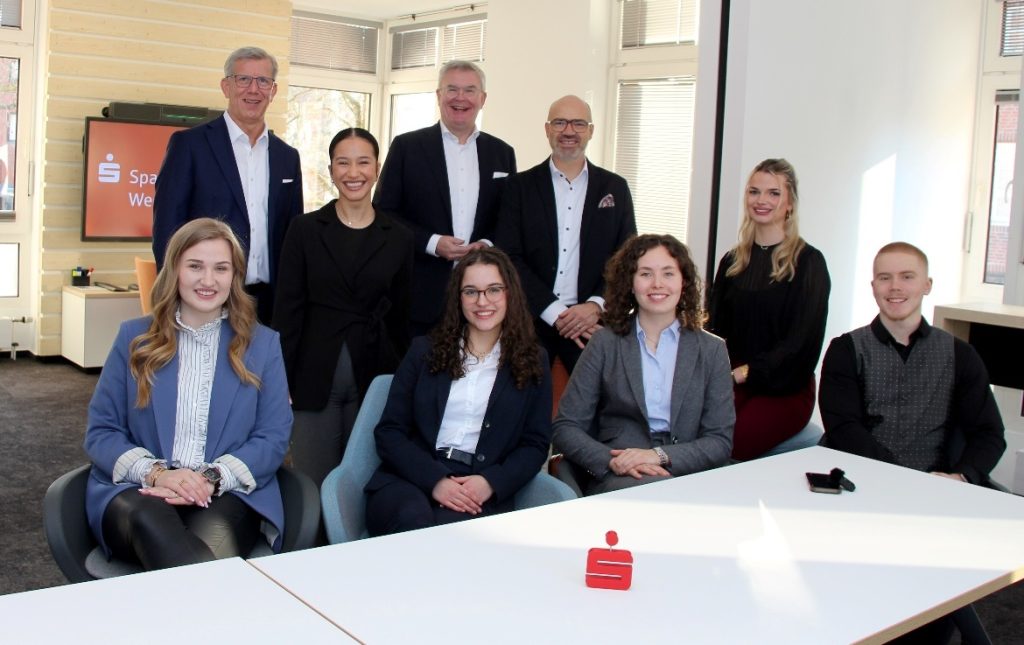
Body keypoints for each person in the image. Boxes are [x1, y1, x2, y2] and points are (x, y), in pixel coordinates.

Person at [819, 242, 1006, 644]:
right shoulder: (846, 350)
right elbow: (844, 429)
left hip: (936, 491)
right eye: (884, 278)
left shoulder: (959, 354)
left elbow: (989, 433)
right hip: (862, 491)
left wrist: (962, 477)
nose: (895, 287)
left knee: (935, 601)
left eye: (907, 277)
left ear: (927, 285)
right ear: (873, 286)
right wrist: (902, 484)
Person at [83, 218, 292, 571]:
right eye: (195, 266)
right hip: (140, 492)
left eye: (221, 268)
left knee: (200, 556)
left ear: (234, 276)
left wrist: (209, 480)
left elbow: (272, 438)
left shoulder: (263, 345)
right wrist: (158, 474)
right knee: (155, 524)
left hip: (225, 493)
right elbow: (102, 432)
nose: (208, 280)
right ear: (175, 270)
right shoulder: (134, 339)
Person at [364, 247, 552, 536]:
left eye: (493, 290)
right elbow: (389, 432)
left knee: (452, 535)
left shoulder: (533, 360)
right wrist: (435, 480)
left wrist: (491, 482)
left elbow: (535, 444)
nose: (482, 301)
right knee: (412, 520)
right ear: (458, 297)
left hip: (477, 486)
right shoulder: (424, 351)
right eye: (471, 292)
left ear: (509, 294)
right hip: (410, 477)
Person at [273, 128, 413, 488]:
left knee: (364, 484)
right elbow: (287, 311)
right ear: (331, 170)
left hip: (376, 374)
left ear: (377, 168)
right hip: (312, 375)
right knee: (313, 483)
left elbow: (403, 318)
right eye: (343, 163)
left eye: (363, 162)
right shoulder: (304, 230)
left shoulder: (399, 236)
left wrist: (404, 383)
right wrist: (280, 378)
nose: (354, 173)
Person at [552, 234, 734, 495]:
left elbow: (719, 441)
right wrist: (612, 461)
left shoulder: (712, 349)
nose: (657, 283)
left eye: (668, 274)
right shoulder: (605, 342)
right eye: (646, 274)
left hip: (691, 471)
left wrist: (657, 456)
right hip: (623, 472)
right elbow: (566, 427)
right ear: (630, 282)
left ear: (683, 282)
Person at [153, 46, 304, 324]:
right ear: (226, 86)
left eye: (263, 81)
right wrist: (173, 299)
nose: (253, 89)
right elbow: (167, 229)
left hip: (270, 304)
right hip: (205, 297)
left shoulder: (287, 157)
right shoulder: (190, 146)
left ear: (273, 90)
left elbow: (293, 235)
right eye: (243, 79)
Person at [373, 60, 516, 335]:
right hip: (420, 297)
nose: (460, 98)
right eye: (452, 89)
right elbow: (384, 212)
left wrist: (486, 246)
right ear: (439, 96)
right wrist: (432, 243)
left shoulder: (502, 152)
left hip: (483, 300)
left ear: (482, 99)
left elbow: (509, 217)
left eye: (470, 90)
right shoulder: (407, 147)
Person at [496, 95, 636, 373]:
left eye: (578, 124)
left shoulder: (615, 188)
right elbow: (508, 257)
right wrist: (555, 312)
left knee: (598, 399)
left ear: (591, 131)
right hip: (530, 320)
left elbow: (627, 258)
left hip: (593, 323)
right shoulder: (519, 187)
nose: (569, 131)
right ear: (547, 129)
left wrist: (596, 305)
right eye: (560, 122)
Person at [706, 158, 830, 460]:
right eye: (754, 191)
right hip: (731, 381)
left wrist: (745, 373)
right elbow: (714, 330)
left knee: (729, 444)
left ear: (790, 203)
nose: (761, 200)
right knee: (696, 435)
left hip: (785, 386)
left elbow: (802, 344)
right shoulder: (731, 261)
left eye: (773, 193)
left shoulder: (809, 263)